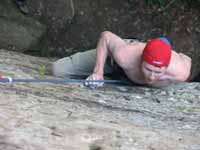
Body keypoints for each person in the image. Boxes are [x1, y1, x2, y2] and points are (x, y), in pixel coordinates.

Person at [52, 31, 192, 88]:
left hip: (133, 69)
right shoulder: (125, 54)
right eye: (148, 69)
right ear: (141, 60)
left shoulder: (180, 72)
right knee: (59, 70)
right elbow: (106, 36)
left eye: (158, 71)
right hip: (112, 61)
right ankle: (108, 72)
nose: (152, 76)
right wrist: (98, 71)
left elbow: (187, 59)